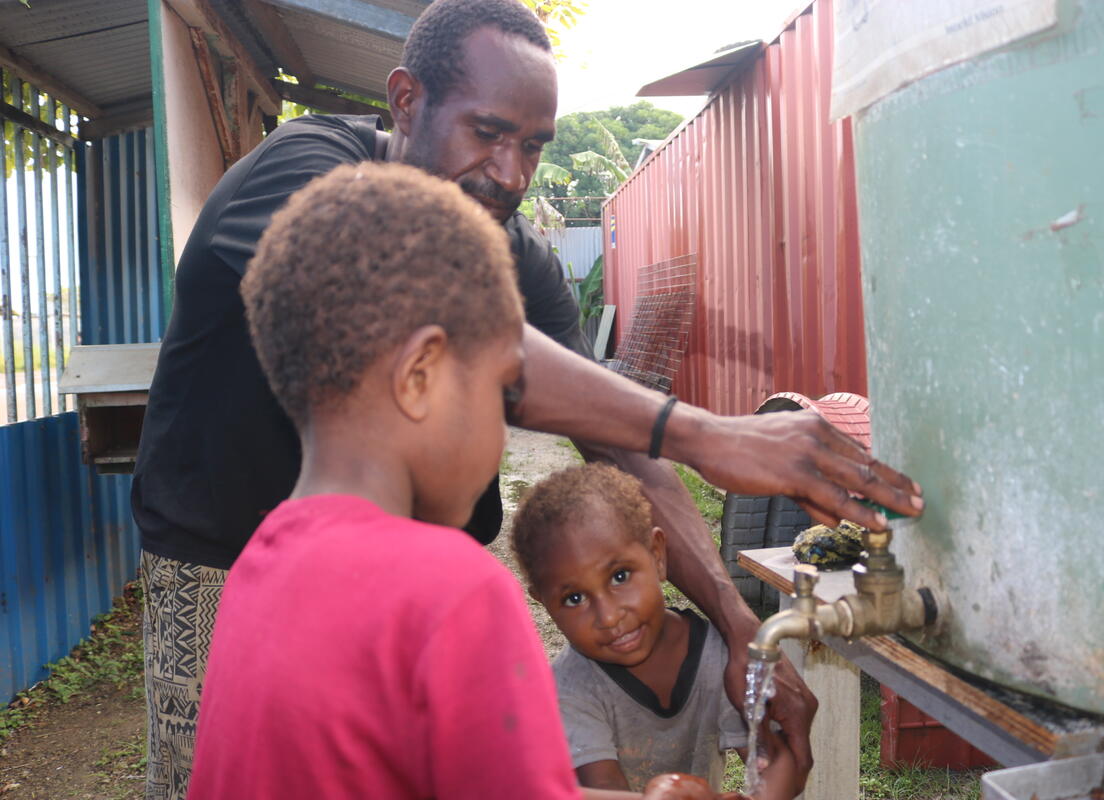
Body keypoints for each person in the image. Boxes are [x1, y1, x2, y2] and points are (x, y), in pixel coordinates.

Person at [133, 0, 923, 795]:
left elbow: (617, 445)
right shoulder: (310, 174)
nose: (512, 174)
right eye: (487, 133)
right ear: (407, 101)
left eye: (535, 146)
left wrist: (736, 619)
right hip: (223, 562)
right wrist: (700, 432)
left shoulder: (506, 253)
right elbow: (422, 309)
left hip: (366, 575)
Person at [188, 161, 758, 800]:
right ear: (420, 376)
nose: (501, 432)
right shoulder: (453, 589)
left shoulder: (259, 565)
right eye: (501, 393)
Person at [512, 463, 797, 799]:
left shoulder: (719, 657)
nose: (608, 616)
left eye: (620, 577)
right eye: (574, 598)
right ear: (543, 603)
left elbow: (777, 762)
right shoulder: (569, 688)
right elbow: (602, 788)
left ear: (657, 555)